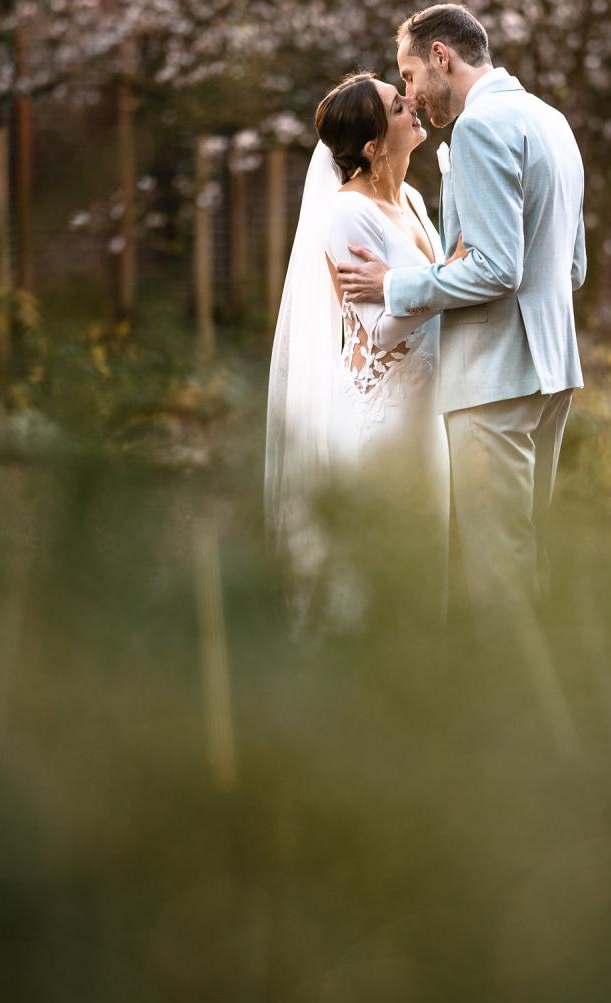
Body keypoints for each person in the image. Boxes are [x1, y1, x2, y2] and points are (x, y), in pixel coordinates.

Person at [337, 3, 587, 614]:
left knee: (497, 567)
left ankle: (503, 700)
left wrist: (395, 286)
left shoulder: (479, 126)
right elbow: (573, 266)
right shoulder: (550, 119)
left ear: (441, 57)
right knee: (530, 553)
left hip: (493, 378)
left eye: (411, 76)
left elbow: (498, 267)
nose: (411, 94)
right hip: (552, 371)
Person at [265, 72, 462, 630]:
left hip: (427, 412)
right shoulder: (346, 213)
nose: (413, 106)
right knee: (381, 571)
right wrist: (447, 278)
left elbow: (431, 287)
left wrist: (434, 280)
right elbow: (376, 331)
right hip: (384, 416)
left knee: (424, 562)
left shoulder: (416, 201)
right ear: (373, 146)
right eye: (399, 107)